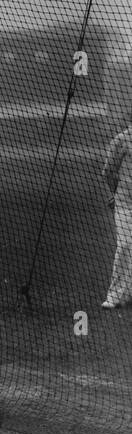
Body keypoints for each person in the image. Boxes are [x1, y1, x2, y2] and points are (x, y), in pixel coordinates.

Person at [100, 120, 132, 309]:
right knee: (126, 245)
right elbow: (108, 172)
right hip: (126, 203)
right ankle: (114, 295)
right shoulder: (122, 140)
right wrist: (116, 193)